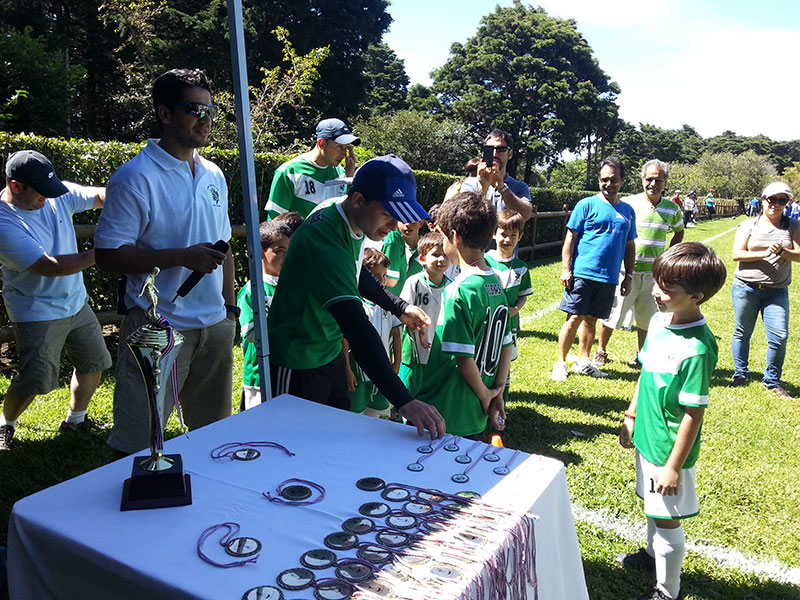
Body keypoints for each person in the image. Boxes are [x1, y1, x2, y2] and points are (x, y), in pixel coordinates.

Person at [95, 68, 236, 456]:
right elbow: (108, 256)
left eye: (210, 110)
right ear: (165, 113)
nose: (205, 118)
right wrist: (181, 257)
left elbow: (224, 248)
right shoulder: (133, 177)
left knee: (214, 438)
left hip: (215, 326)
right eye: (194, 109)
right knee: (139, 445)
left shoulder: (214, 174)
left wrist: (229, 309)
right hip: (157, 328)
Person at [267, 154, 445, 439]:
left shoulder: (345, 214)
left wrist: (398, 306)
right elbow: (356, 326)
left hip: (329, 349)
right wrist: (404, 400)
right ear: (359, 199)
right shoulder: (325, 240)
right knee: (294, 445)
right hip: (298, 357)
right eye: (389, 213)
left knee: (334, 437)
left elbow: (353, 267)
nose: (395, 223)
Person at [617, 241, 727, 600]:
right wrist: (631, 415)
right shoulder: (662, 322)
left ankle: (668, 591)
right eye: (658, 283)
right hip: (647, 436)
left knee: (666, 517)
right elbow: (646, 372)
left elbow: (694, 414)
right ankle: (651, 556)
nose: (657, 292)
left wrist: (673, 467)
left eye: (667, 289)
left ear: (696, 296)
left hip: (668, 450)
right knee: (652, 506)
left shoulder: (696, 349)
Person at [0, 151, 112, 452]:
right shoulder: (3, 222)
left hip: (76, 302)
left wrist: (128, 194)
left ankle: (76, 420)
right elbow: (49, 266)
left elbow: (101, 196)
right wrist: (106, 251)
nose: (49, 199)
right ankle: (5, 424)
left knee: (94, 361)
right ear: (16, 186)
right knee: (35, 379)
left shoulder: (53, 192)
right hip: (36, 311)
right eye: (41, 193)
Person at [414, 192, 513, 438]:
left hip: (447, 409)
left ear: (454, 238)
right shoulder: (496, 284)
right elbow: (506, 345)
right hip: (475, 411)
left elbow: (463, 359)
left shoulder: (458, 290)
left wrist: (485, 395)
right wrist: (497, 391)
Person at [551, 157, 637, 381]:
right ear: (599, 180)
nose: (609, 184)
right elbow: (570, 238)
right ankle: (560, 362)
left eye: (614, 180)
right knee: (574, 317)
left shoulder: (628, 211)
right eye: (605, 179)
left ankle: (584, 361)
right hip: (582, 273)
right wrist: (565, 269)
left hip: (608, 277)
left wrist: (628, 276)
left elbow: (630, 245)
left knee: (592, 319)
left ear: (623, 181)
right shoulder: (586, 205)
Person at [594, 160, 684, 367]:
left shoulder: (672, 209)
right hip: (625, 271)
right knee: (613, 313)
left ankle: (642, 355)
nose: (653, 183)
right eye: (649, 179)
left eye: (658, 180)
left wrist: (669, 255)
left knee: (648, 318)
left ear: (665, 182)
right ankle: (601, 350)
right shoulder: (628, 203)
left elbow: (679, 231)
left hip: (653, 275)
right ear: (642, 180)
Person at [730, 181, 799, 399]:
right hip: (745, 287)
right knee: (742, 332)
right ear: (763, 200)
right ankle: (740, 374)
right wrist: (764, 253)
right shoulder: (749, 225)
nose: (776, 204)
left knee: (779, 336)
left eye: (782, 200)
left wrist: (782, 252)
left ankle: (772, 380)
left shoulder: (793, 225)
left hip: (777, 291)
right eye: (772, 199)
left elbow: (799, 254)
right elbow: (737, 254)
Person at [237, 219, 297, 410]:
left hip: (287, 371)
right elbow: (253, 334)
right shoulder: (252, 291)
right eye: (279, 251)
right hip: (259, 376)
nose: (286, 257)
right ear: (260, 251)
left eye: (289, 251)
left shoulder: (292, 286)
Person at [264, 118, 359, 220]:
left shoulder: (342, 174)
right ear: (322, 143)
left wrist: (349, 178)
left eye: (346, 148)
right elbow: (275, 222)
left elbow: (347, 217)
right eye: (339, 146)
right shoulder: (289, 172)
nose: (344, 154)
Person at [345, 248, 401, 418]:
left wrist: (397, 362)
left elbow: (396, 333)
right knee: (355, 414)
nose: (381, 280)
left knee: (376, 416)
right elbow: (344, 339)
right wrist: (347, 369)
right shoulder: (354, 303)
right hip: (358, 370)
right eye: (375, 276)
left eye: (383, 275)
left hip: (382, 367)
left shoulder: (387, 302)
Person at [485, 209, 532, 398]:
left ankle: (501, 400)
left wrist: (515, 309)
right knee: (486, 358)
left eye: (513, 235)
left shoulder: (521, 267)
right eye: (503, 234)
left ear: (520, 237)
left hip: (508, 326)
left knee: (505, 362)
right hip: (486, 323)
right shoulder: (484, 261)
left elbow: (523, 295)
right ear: (494, 234)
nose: (507, 240)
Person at [398, 231, 451, 396]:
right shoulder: (413, 283)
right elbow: (402, 313)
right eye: (435, 255)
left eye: (445, 255)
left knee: (432, 393)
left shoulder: (453, 287)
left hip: (439, 352)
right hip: (414, 352)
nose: (441, 259)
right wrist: (418, 329)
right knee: (407, 393)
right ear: (422, 258)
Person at [459, 129, 533, 221]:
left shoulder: (520, 187)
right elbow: (462, 217)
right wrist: (483, 189)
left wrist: (503, 188)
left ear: (510, 154)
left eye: (501, 149)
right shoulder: (470, 184)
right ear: (483, 153)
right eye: (489, 149)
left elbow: (525, 215)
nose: (494, 154)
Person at [380, 219, 424, 295]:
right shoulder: (392, 241)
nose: (407, 224)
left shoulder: (427, 247)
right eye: (403, 221)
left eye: (412, 220)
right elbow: (391, 281)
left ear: (420, 223)